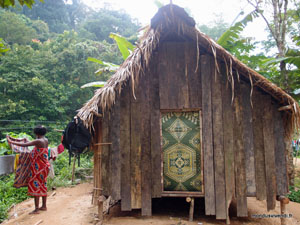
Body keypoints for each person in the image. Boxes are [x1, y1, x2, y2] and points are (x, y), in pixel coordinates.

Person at [7, 125, 50, 214]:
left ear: (37, 133)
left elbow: (24, 145)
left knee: (35, 186)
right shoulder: (45, 140)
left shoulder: (38, 141)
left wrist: (11, 141)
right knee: (43, 185)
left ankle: (36, 209)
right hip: (45, 167)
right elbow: (32, 144)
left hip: (38, 168)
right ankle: (44, 206)